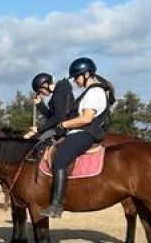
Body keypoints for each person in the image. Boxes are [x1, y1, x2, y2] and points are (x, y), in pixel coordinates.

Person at [39, 57, 115, 218]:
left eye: (77, 77)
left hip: (86, 133)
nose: (75, 80)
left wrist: (63, 125)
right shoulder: (89, 92)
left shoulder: (95, 92)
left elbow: (86, 118)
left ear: (87, 74)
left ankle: (56, 206)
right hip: (80, 132)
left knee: (59, 161)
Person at [26, 72, 74, 140]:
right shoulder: (58, 92)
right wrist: (40, 105)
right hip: (61, 127)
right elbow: (52, 117)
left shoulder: (60, 92)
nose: (41, 94)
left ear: (45, 85)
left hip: (65, 129)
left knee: (38, 143)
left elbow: (58, 117)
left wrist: (39, 129)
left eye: (40, 91)